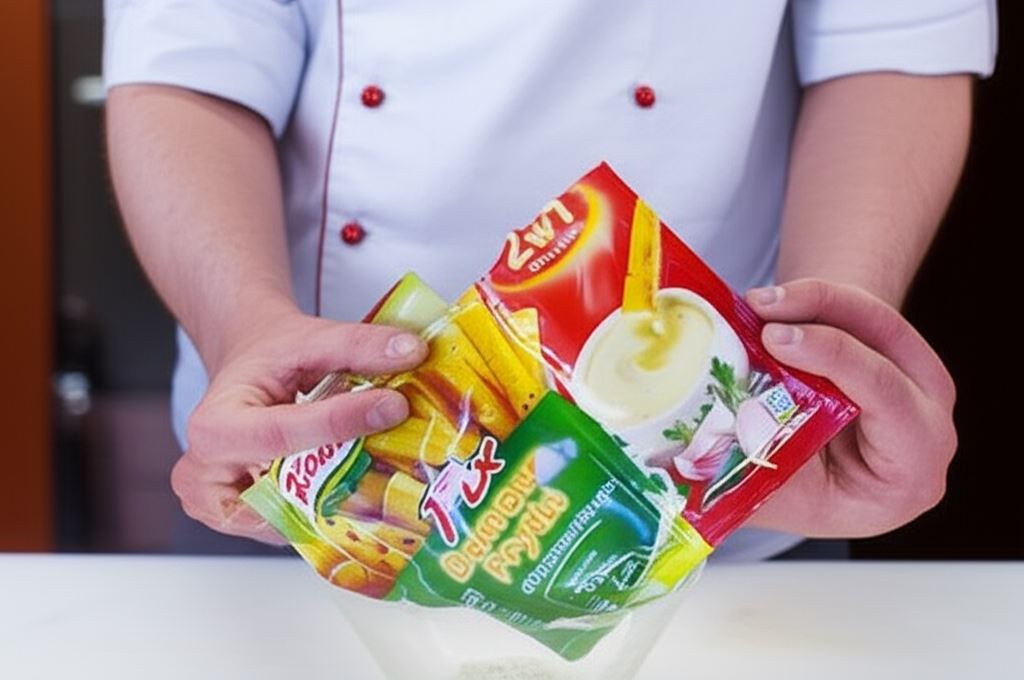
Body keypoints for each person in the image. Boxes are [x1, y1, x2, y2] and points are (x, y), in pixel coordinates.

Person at [103, 0, 997, 559]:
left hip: (719, 480)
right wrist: (244, 330)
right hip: (318, 470)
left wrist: (819, 377)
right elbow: (188, 63)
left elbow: (894, 42)